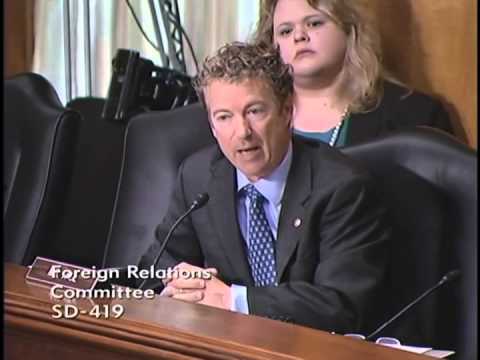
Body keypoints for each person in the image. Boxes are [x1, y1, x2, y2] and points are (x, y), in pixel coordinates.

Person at [138, 41, 390, 334]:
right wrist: (179, 285)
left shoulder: (341, 186)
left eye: (255, 111)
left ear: (286, 111)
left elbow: (342, 305)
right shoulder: (197, 177)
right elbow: (151, 272)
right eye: (224, 117)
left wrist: (233, 299)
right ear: (211, 124)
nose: (242, 132)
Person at [253, 0, 454, 147]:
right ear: (272, 46)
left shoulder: (414, 114)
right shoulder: (247, 118)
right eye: (285, 31)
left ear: (349, 30)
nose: (299, 36)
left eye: (314, 23)